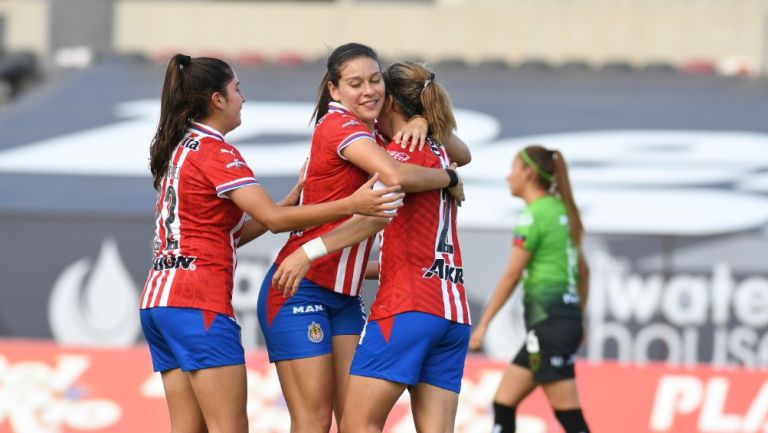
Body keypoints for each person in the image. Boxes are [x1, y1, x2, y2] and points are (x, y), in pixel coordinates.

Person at [139, 53, 403, 433]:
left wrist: (287, 200)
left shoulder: (181, 148)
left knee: (187, 427)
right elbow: (274, 222)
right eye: (237, 90)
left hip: (159, 302)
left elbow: (228, 233)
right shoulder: (217, 151)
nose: (242, 99)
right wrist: (350, 204)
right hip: (198, 302)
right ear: (217, 99)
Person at [257, 43, 466, 433]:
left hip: (358, 296)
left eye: (375, 82)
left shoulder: (391, 142)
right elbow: (438, 165)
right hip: (303, 287)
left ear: (390, 99)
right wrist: (449, 174)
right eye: (356, 83)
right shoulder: (344, 125)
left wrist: (418, 120)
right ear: (334, 90)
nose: (368, 91)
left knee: (351, 422)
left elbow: (388, 199)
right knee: (317, 421)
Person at [468, 145, 590, 433]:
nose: (508, 177)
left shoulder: (533, 215)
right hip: (557, 325)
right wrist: (575, 317)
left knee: (570, 417)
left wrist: (483, 326)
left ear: (528, 173)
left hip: (548, 328)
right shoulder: (564, 211)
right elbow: (584, 272)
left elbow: (512, 276)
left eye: (513, 169)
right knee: (504, 403)